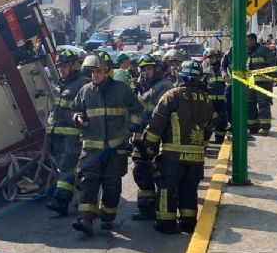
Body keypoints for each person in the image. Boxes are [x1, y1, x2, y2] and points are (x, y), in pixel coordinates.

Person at [71, 51, 144, 236]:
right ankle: (85, 219)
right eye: (92, 72)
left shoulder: (121, 89)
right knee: (88, 184)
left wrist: (130, 131)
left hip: (115, 148)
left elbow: (137, 110)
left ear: (107, 71)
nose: (94, 75)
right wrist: (78, 117)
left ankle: (107, 216)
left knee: (112, 186)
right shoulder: (85, 91)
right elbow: (76, 110)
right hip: (91, 149)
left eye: (98, 71)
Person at [143, 61, 216, 234]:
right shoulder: (206, 100)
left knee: (167, 189)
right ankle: (188, 223)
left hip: (173, 156)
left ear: (181, 77)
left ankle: (165, 223)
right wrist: (202, 146)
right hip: (196, 158)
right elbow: (212, 124)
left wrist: (150, 145)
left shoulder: (172, 96)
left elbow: (157, 123)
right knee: (189, 190)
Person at [130, 54, 174, 221]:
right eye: (143, 70)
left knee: (160, 174)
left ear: (156, 69)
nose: (145, 73)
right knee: (142, 172)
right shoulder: (145, 86)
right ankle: (146, 209)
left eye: (149, 69)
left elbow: (157, 115)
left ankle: (164, 211)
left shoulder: (164, 86)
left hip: (159, 138)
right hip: (143, 137)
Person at [46, 50, 88, 217]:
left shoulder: (82, 84)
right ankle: (87, 197)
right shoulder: (63, 85)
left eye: (65, 66)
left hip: (72, 138)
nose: (61, 69)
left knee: (66, 168)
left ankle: (60, 201)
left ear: (74, 65)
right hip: (58, 137)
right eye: (60, 67)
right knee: (71, 171)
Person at [245, 33, 276, 135]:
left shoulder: (265, 51)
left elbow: (273, 66)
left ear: (253, 40)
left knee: (263, 105)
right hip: (250, 84)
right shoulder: (247, 52)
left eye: (247, 41)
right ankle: (253, 128)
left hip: (264, 84)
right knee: (250, 105)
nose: (246, 43)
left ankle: (265, 128)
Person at [203, 47, 228, 143]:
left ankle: (219, 138)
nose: (210, 59)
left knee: (222, 120)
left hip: (222, 101)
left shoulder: (224, 71)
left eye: (212, 57)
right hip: (210, 102)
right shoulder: (206, 72)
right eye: (209, 58)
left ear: (218, 57)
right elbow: (203, 86)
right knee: (209, 121)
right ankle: (206, 140)